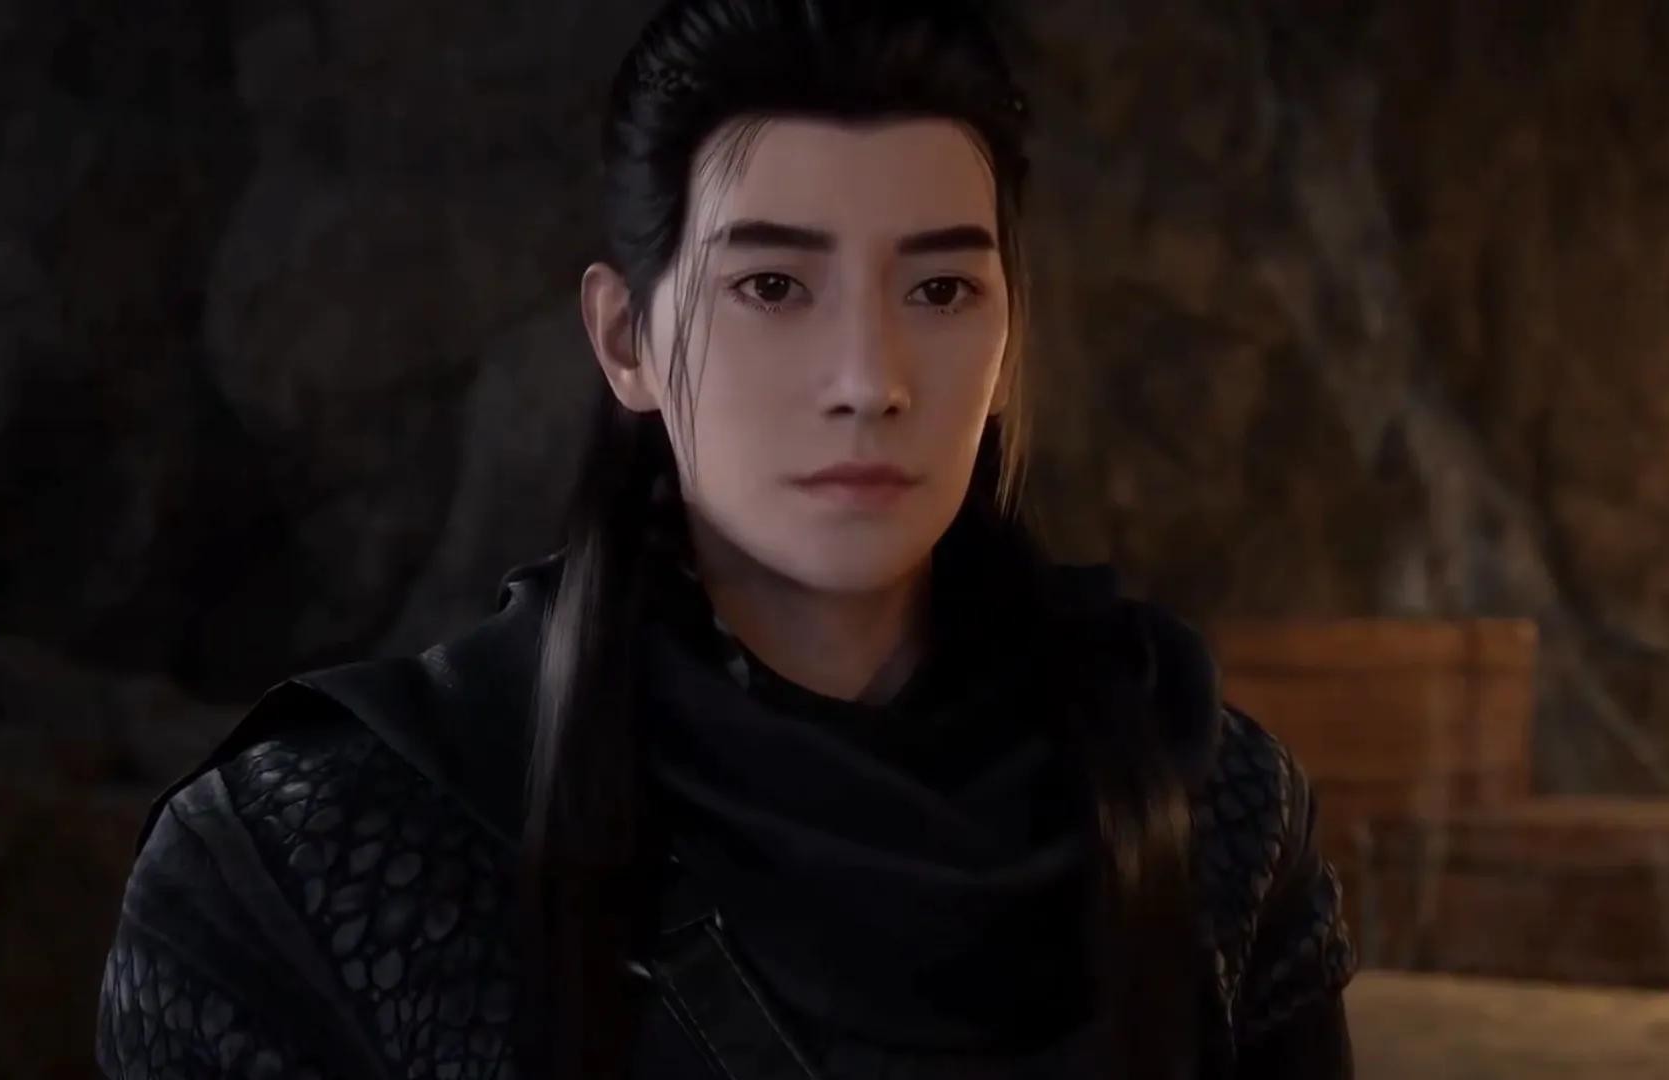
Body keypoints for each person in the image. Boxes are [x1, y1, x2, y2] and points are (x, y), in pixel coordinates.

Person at [95, 2, 1356, 1076]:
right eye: (771, 286)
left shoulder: (1201, 811)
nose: (868, 379)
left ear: (1007, 335)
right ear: (626, 340)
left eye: (939, 289)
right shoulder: (314, 861)